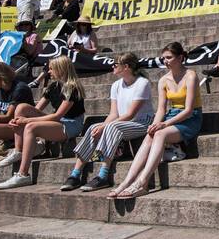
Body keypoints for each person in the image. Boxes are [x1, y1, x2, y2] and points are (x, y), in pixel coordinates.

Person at [109, 42, 202, 198]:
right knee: (151, 134)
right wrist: (154, 125)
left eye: (169, 57)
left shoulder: (190, 75)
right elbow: (160, 109)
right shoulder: (163, 80)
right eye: (163, 58)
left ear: (180, 58)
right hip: (171, 116)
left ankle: (142, 182)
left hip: (190, 119)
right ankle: (126, 182)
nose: (165, 61)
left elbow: (188, 110)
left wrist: (164, 124)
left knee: (160, 134)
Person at [61, 52, 154, 192]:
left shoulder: (142, 83)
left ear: (126, 67)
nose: (113, 67)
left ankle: (103, 175)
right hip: (122, 122)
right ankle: (75, 174)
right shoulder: (116, 85)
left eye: (116, 64)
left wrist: (105, 126)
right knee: (94, 127)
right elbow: (113, 114)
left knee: (111, 127)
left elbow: (130, 115)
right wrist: (101, 126)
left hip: (141, 123)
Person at [0, 56, 86, 189]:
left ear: (61, 69)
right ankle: (18, 150)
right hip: (59, 121)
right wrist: (16, 121)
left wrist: (26, 121)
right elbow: (36, 109)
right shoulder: (53, 86)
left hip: (71, 123)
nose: (48, 72)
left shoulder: (72, 87)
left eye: (51, 69)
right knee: (22, 107)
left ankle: (23, 175)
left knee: (31, 127)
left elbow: (57, 116)